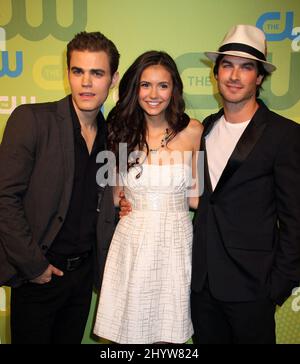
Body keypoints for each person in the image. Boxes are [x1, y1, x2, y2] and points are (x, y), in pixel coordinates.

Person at [0, 31, 120, 344]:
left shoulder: (113, 137)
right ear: (67, 73)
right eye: (77, 71)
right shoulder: (33, 120)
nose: (86, 82)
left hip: (81, 279)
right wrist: (33, 266)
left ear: (113, 79)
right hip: (39, 275)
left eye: (97, 73)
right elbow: (4, 198)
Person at [191, 24, 300, 344]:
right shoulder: (205, 129)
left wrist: (276, 288)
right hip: (202, 287)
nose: (234, 76)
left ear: (260, 77)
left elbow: (296, 220)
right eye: (227, 65)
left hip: (253, 291)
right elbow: (202, 197)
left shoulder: (285, 135)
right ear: (216, 73)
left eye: (246, 67)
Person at [93, 50, 203, 344]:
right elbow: (110, 195)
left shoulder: (194, 132)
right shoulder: (120, 132)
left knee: (169, 335)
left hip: (176, 244)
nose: (154, 94)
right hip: (132, 243)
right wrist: (122, 203)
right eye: (145, 85)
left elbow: (197, 196)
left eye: (163, 85)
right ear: (134, 89)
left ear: (174, 89)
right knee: (128, 335)